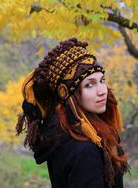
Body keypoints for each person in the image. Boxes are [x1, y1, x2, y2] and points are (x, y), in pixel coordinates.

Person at [16, 38, 130, 188]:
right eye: (89, 85)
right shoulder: (84, 148)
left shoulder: (65, 134)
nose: (102, 91)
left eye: (102, 80)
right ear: (68, 95)